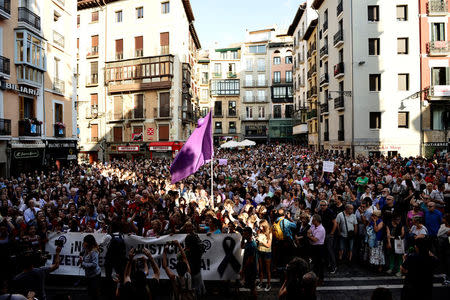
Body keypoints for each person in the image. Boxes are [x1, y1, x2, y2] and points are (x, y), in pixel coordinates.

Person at [79, 234, 101, 300]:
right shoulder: (86, 250)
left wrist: (83, 263)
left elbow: (94, 265)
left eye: (84, 241)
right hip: (89, 275)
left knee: (94, 294)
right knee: (90, 293)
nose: (83, 243)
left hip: (95, 276)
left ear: (88, 242)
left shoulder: (94, 252)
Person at [317, 200, 337, 273]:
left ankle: (334, 266)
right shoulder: (319, 212)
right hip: (322, 234)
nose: (322, 206)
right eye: (321, 205)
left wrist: (332, 233)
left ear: (326, 205)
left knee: (330, 250)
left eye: (323, 205)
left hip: (329, 234)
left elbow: (335, 223)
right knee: (324, 250)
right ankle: (327, 264)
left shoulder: (330, 212)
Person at [308, 214, 326, 283]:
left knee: (320, 264)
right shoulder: (313, 226)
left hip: (319, 248)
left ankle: (320, 279)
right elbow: (309, 232)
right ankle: (315, 278)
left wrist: (310, 236)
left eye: (313, 220)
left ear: (316, 221)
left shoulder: (321, 229)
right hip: (314, 247)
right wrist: (310, 235)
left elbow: (315, 239)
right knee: (315, 263)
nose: (311, 221)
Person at [240, 226, 257, 299]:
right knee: (250, 286)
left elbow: (250, 260)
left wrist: (243, 270)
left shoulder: (252, 245)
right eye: (244, 234)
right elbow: (242, 246)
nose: (244, 235)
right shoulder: (248, 243)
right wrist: (243, 238)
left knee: (252, 286)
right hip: (249, 268)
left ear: (250, 234)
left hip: (251, 268)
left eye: (246, 234)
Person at [256, 219, 272, 292]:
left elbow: (268, 245)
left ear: (265, 226)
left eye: (262, 226)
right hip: (259, 251)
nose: (260, 228)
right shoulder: (259, 231)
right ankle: (261, 282)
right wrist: (256, 240)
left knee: (268, 269)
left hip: (267, 252)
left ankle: (268, 284)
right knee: (261, 269)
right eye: (260, 226)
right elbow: (258, 241)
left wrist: (261, 241)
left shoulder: (269, 232)